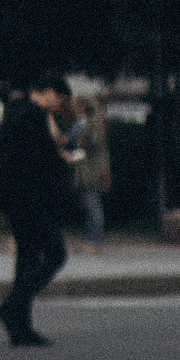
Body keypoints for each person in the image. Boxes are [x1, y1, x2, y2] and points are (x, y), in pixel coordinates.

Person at [0, 71, 76, 347]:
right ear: (48, 91)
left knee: (27, 259)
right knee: (56, 254)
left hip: (16, 200)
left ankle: (20, 328)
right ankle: (13, 305)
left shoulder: (15, 111)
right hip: (34, 200)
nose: (60, 104)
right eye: (60, 97)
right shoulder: (33, 116)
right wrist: (62, 160)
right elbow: (38, 162)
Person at [69, 88, 111, 247]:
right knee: (89, 204)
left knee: (92, 204)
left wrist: (71, 156)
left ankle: (94, 239)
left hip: (89, 170)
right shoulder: (88, 123)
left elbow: (84, 147)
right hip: (89, 169)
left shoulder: (87, 124)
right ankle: (91, 238)